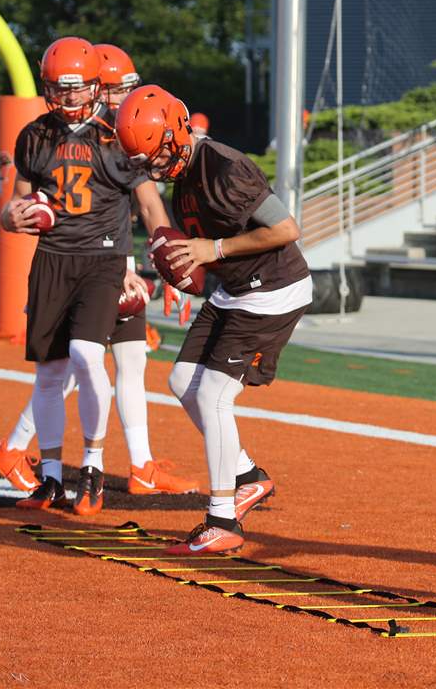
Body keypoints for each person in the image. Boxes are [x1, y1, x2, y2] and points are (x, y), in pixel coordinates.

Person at [0, 42, 198, 498]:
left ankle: (100, 463)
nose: (128, 96)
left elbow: (147, 204)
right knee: (59, 370)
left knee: (104, 359)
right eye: (122, 87)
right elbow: (16, 201)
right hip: (57, 260)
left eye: (127, 87)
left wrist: (166, 263)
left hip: (104, 262)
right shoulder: (37, 134)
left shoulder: (115, 133)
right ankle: (47, 467)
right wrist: (11, 216)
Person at [115, 85, 312, 556]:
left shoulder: (225, 166)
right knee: (183, 380)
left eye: (158, 153)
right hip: (232, 289)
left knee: (213, 394)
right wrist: (182, 272)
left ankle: (223, 519)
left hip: (271, 290)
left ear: (178, 132)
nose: (155, 167)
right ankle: (245, 476)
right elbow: (195, 243)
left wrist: (212, 250)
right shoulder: (179, 175)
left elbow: (287, 229)